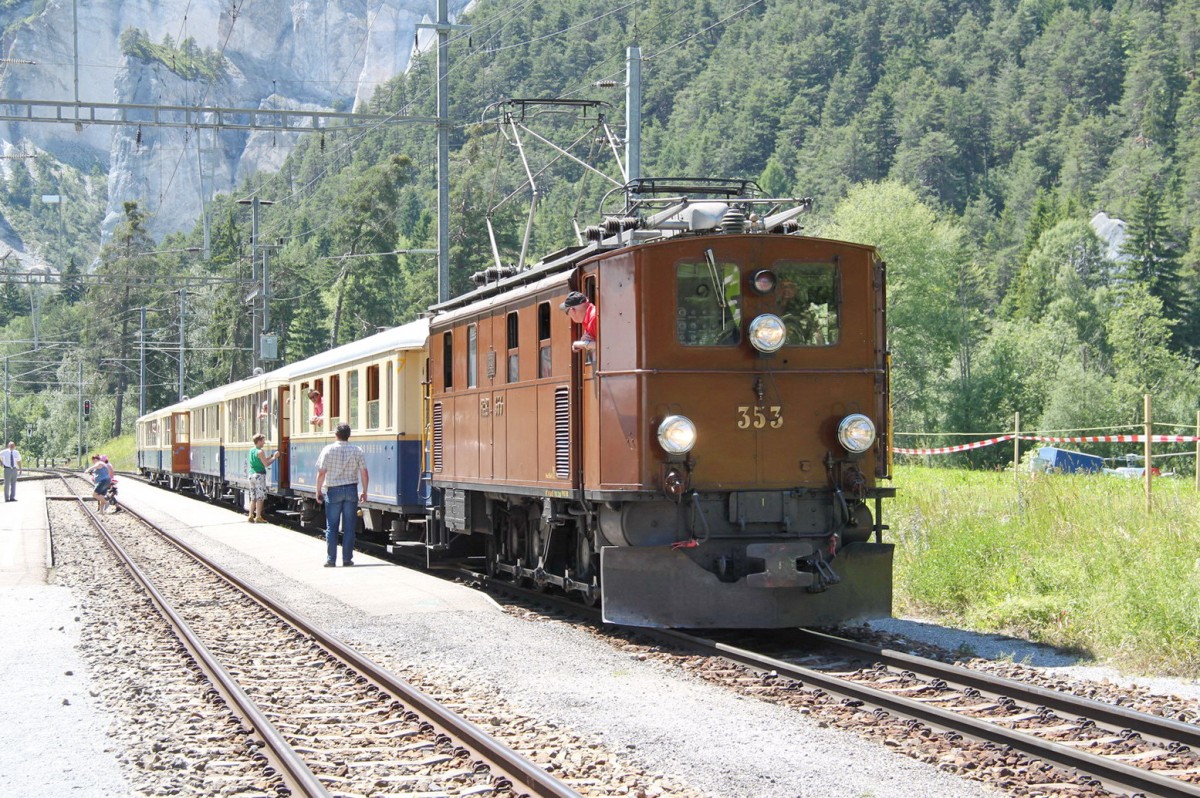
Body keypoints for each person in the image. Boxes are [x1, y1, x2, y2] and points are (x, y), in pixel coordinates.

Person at [314, 422, 368, 567]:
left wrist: (318, 490)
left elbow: (321, 473)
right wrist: (364, 491)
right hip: (351, 490)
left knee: (332, 526)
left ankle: (331, 560)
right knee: (349, 526)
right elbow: (364, 472)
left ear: (336, 434)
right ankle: (347, 559)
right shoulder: (357, 450)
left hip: (333, 491)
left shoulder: (328, 449)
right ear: (348, 435)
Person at [247, 433, 280, 523]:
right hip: (259, 476)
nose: (264, 443)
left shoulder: (252, 450)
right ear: (259, 441)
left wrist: (271, 456)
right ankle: (258, 516)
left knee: (253, 497)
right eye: (263, 441)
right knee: (260, 497)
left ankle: (250, 515)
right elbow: (266, 464)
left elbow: (262, 460)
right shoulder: (260, 451)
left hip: (251, 475)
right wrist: (274, 458)